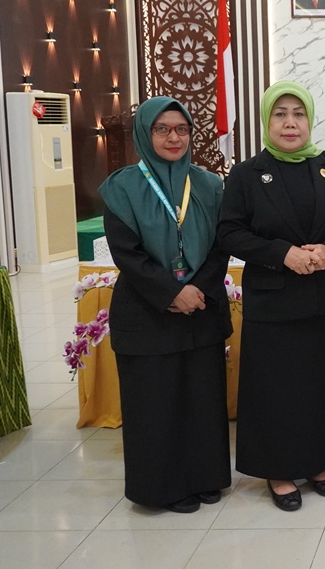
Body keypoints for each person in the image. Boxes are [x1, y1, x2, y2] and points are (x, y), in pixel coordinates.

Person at [218, 80, 325, 512]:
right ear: (267, 121)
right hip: (273, 302)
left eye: (298, 114)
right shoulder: (246, 174)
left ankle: (318, 461)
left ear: (310, 120)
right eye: (280, 114)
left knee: (320, 384)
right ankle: (278, 469)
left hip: (323, 298)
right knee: (276, 389)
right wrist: (282, 254)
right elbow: (230, 232)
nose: (290, 123)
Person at [99, 96, 232, 514]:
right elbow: (127, 253)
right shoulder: (122, 188)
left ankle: (206, 477)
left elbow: (222, 246)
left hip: (201, 310)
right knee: (155, 404)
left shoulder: (209, 185)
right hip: (147, 313)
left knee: (201, 399)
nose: (174, 138)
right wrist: (171, 292)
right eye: (162, 129)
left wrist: (197, 290)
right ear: (146, 133)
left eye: (181, 129)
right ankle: (163, 488)